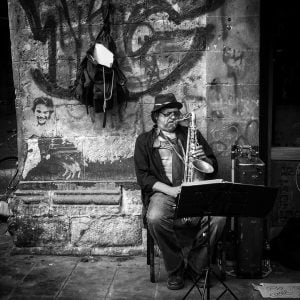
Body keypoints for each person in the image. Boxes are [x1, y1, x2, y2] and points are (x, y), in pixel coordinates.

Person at [134, 93, 226, 290]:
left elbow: (213, 165)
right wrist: (171, 190)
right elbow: (143, 178)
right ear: (156, 117)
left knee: (219, 219)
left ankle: (196, 266)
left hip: (195, 189)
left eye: (175, 113)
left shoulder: (192, 134)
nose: (173, 118)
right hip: (164, 192)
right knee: (155, 218)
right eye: (167, 114)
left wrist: (205, 158)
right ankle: (175, 270)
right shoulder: (144, 141)